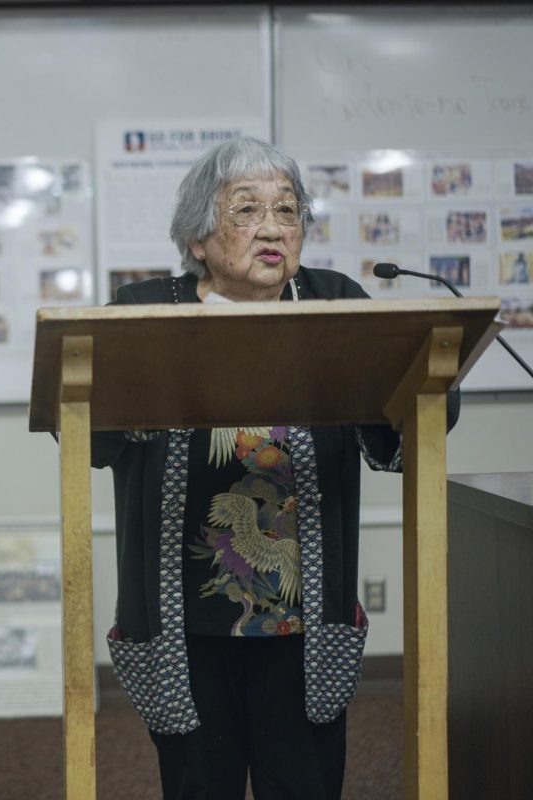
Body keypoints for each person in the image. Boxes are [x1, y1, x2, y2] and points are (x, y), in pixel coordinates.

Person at [93, 137, 460, 800]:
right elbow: (92, 438)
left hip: (304, 621)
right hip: (182, 623)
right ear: (198, 237)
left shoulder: (332, 302)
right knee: (200, 784)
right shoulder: (143, 310)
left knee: (305, 784)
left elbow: (399, 427)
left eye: (288, 211)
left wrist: (427, 380)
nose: (272, 228)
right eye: (246, 210)